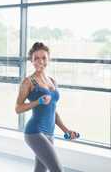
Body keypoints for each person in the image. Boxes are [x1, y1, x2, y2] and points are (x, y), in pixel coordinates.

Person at [15, 42, 78, 172]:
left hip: (49, 133)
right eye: (36, 58)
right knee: (58, 170)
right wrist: (37, 102)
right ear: (31, 61)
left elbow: (53, 111)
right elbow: (18, 108)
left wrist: (66, 130)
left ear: (48, 59)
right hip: (34, 132)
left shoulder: (52, 81)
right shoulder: (28, 82)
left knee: (40, 170)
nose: (40, 61)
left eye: (43, 58)